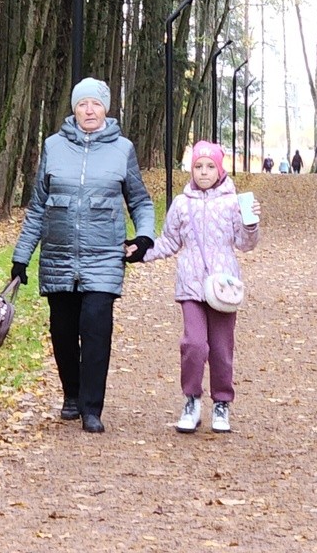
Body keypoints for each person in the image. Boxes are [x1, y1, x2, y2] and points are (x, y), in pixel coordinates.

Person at [11, 77, 155, 434]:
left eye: (96, 104)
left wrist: (145, 236)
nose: (89, 110)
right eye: (82, 104)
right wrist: (21, 257)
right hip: (58, 255)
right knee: (62, 330)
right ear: (73, 109)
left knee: (95, 328)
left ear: (106, 108)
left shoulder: (122, 149)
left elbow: (139, 200)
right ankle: (71, 395)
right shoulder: (53, 146)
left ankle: (92, 407)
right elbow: (37, 208)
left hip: (104, 255)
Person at [135, 141, 261, 434]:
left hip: (223, 288)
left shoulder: (233, 202)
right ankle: (191, 400)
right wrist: (141, 253)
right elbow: (169, 241)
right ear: (191, 169)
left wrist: (251, 224)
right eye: (198, 166)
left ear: (220, 169)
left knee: (220, 348)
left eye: (210, 166)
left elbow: (245, 244)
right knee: (193, 344)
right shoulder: (182, 203)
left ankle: (221, 403)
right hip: (191, 285)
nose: (204, 172)